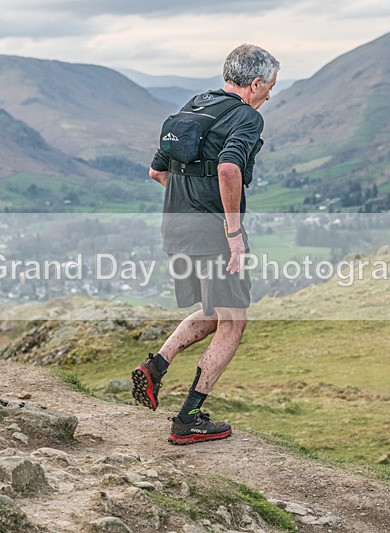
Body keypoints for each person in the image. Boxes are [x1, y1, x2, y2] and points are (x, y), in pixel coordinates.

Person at [132, 44, 279, 445]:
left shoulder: (195, 106)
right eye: (270, 87)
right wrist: (232, 234)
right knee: (235, 321)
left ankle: (156, 366)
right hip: (214, 234)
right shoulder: (247, 117)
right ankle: (189, 418)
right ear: (255, 83)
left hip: (176, 230)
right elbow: (229, 168)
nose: (270, 95)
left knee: (216, 310)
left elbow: (156, 171)